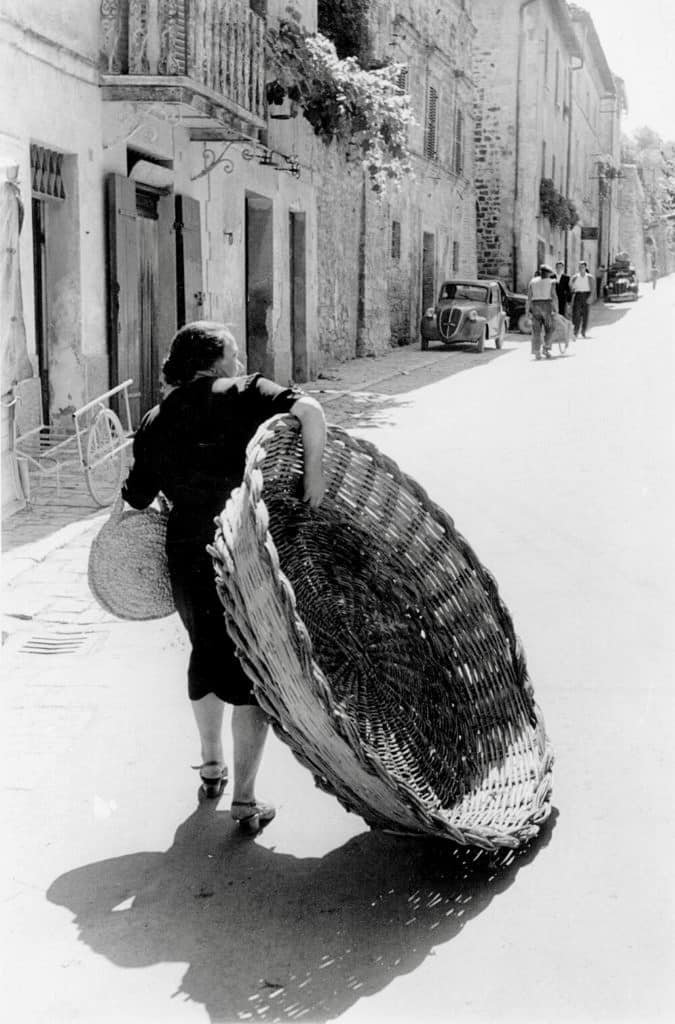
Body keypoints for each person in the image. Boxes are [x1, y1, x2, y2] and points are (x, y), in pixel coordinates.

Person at [121, 321, 327, 834]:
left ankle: (211, 767)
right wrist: (314, 475)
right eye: (233, 353)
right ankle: (245, 799)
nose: (238, 361)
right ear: (213, 360)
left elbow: (137, 497)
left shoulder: (155, 418)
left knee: (205, 654)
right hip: (240, 547)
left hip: (186, 552)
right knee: (251, 667)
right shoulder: (246, 391)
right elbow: (310, 411)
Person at [526, 264, 558, 360]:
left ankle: (536, 351)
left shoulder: (532, 281)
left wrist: (527, 311)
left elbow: (529, 297)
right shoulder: (551, 282)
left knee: (536, 330)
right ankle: (546, 348)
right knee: (550, 328)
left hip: (535, 305)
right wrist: (556, 309)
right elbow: (554, 296)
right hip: (546, 305)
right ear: (548, 273)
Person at [570, 260, 594, 338]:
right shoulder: (575, 277)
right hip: (578, 295)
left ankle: (583, 331)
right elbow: (571, 286)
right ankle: (575, 332)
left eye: (583, 267)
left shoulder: (589, 277)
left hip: (586, 295)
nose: (581, 268)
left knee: (585, 314)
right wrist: (572, 289)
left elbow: (593, 288)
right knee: (576, 314)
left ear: (585, 267)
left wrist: (591, 297)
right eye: (580, 267)